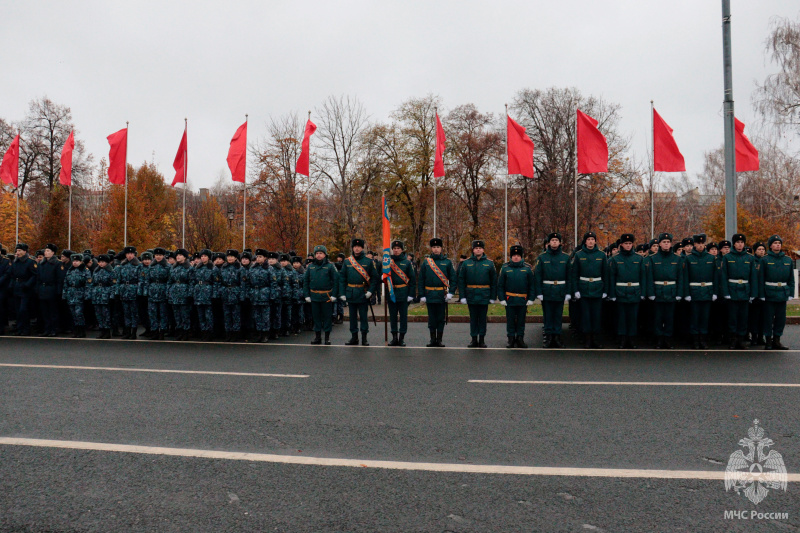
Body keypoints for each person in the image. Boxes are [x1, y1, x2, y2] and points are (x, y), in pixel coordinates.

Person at [570, 232, 608, 349]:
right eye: (588, 239)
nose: (591, 241)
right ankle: (587, 339)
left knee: (596, 316)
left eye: (592, 239)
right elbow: (574, 274)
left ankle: (595, 339)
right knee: (585, 316)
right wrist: (575, 290)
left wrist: (605, 290)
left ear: (595, 241)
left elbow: (605, 274)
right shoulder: (579, 255)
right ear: (585, 241)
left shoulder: (601, 255)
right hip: (584, 289)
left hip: (597, 289)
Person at [533, 233, 571, 348]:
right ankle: (549, 338)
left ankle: (557, 337)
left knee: (558, 315)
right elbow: (538, 276)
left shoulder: (566, 258)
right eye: (552, 240)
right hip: (547, 290)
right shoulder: (542, 257)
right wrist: (538, 292)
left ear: (560, 243)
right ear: (548, 243)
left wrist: (568, 292)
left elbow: (569, 276)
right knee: (548, 315)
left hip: (560, 290)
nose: (554, 242)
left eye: (556, 240)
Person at [457, 240, 498, 348]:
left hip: (484, 294)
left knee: (483, 318)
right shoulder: (466, 263)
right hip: (471, 294)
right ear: (473, 250)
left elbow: (494, 281)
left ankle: (482, 340)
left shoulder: (489, 263)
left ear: (483, 250)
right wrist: (462, 296)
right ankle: (474, 339)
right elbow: (461, 281)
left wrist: (493, 296)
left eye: (480, 248)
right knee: (473, 318)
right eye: (476, 248)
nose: (478, 249)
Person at [608, 233, 646, 348]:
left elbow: (643, 277)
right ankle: (622, 339)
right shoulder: (615, 259)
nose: (628, 245)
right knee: (622, 317)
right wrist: (612, 294)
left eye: (630, 243)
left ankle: (631, 339)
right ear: (622, 244)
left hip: (635, 291)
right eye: (626, 243)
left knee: (633, 317)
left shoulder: (639, 258)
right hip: (620, 291)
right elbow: (612, 277)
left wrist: (643, 293)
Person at [646, 233, 683, 349]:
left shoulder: (677, 258)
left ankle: (667, 339)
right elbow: (650, 277)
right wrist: (651, 293)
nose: (666, 244)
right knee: (658, 317)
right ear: (660, 244)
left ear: (670, 244)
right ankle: (659, 339)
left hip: (671, 291)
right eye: (664, 242)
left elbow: (681, 278)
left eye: (668, 242)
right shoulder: (653, 258)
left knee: (669, 317)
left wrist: (679, 293)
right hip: (658, 291)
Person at [719, 233, 757, 350]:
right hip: (732, 290)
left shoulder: (750, 258)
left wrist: (753, 294)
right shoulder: (727, 257)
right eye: (738, 242)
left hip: (745, 291)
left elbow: (753, 277)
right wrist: (726, 292)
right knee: (732, 317)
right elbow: (724, 276)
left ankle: (741, 340)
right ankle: (733, 340)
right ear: (734, 244)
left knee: (743, 317)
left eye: (742, 242)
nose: (740, 244)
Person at [339, 238, 379, 346]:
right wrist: (342, 293)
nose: (357, 248)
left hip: (363, 292)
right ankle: (354, 337)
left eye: (359, 247)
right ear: (352, 248)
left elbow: (375, 278)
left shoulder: (368, 261)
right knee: (352, 317)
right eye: (355, 246)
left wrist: (371, 291)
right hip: (351, 292)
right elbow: (342, 278)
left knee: (363, 317)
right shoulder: (347, 261)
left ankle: (364, 338)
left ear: (362, 248)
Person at [418, 237, 456, 347]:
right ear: (431, 248)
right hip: (429, 294)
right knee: (431, 318)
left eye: (438, 247)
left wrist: (451, 293)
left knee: (440, 318)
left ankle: (439, 340)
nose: (436, 249)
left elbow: (453, 279)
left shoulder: (447, 262)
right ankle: (432, 339)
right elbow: (421, 280)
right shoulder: (426, 263)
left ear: (441, 248)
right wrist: (421, 294)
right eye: (434, 247)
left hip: (441, 294)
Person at [682, 234, 717, 349]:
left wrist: (714, 292)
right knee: (695, 317)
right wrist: (686, 294)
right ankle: (695, 340)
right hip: (694, 292)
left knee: (705, 317)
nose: (701, 246)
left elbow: (715, 277)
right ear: (695, 245)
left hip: (707, 291)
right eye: (698, 244)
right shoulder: (689, 258)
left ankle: (703, 339)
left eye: (703, 244)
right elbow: (685, 277)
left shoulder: (711, 258)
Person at [760, 235, 794, 350]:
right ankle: (768, 341)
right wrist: (761, 294)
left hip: (782, 293)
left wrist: (791, 293)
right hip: (769, 293)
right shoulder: (765, 260)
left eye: (779, 243)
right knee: (768, 318)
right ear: (770, 245)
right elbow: (761, 279)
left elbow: (791, 279)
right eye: (775, 243)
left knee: (780, 319)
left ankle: (777, 340)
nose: (777, 245)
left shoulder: (788, 260)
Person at [498, 244, 535, 348]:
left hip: (523, 299)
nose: (516, 257)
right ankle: (510, 339)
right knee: (510, 320)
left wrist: (531, 298)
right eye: (514, 255)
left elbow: (532, 285)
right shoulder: (505, 268)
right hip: (510, 299)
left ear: (521, 257)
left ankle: (520, 338)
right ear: (511, 257)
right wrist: (502, 298)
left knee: (521, 320)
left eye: (518, 255)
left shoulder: (527, 269)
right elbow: (500, 285)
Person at [303, 245, 339, 345]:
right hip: (314, 296)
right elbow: (306, 281)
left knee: (327, 317)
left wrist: (334, 295)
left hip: (326, 296)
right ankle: (317, 337)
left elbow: (336, 281)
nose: (319, 255)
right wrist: (307, 295)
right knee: (316, 317)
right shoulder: (310, 267)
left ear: (325, 254)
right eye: (317, 253)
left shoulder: (330, 266)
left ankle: (327, 338)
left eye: (321, 253)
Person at [386, 240, 417, 347]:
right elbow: (383, 276)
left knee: (403, 317)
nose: (396, 250)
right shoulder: (387, 261)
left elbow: (412, 281)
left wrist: (411, 295)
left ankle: (401, 338)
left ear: (402, 250)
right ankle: (394, 337)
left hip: (403, 293)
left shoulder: (407, 263)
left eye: (398, 248)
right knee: (393, 317)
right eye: (394, 248)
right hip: (391, 292)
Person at [115, 246, 143, 339]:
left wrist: (139, 292)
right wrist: (117, 291)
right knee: (126, 312)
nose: (130, 255)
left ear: (134, 254)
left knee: (134, 312)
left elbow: (141, 280)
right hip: (124, 290)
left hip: (133, 290)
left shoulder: (138, 265)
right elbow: (119, 279)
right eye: (128, 254)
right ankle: (127, 332)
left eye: (131, 254)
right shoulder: (122, 265)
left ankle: (133, 332)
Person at [10, 244, 37, 336]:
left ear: (25, 251)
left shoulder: (30, 262)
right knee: (17, 310)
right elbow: (12, 275)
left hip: (25, 288)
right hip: (17, 287)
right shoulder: (15, 262)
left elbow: (34, 275)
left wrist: (27, 284)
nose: (17, 253)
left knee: (23, 309)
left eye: (20, 251)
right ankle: (20, 328)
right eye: (17, 251)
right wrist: (12, 285)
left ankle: (26, 329)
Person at [35, 243, 62, 337]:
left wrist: (58, 291)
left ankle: (54, 329)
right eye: (45, 251)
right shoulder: (42, 264)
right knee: (44, 312)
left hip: (52, 289)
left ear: (53, 252)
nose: (45, 252)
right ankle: (47, 329)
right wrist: (37, 289)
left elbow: (59, 279)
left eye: (48, 251)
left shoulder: (57, 263)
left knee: (53, 311)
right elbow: (38, 277)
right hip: (43, 289)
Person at [62, 253, 91, 338]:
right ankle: (76, 330)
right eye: (74, 261)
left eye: (77, 261)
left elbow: (88, 284)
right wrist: (64, 295)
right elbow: (66, 283)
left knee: (79, 313)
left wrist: (87, 296)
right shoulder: (70, 270)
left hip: (80, 293)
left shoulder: (85, 270)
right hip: (71, 293)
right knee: (73, 313)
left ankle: (81, 330)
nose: (75, 263)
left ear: (81, 261)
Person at [145, 248, 170, 340]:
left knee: (163, 313)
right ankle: (154, 331)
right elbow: (147, 279)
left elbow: (169, 280)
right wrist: (147, 291)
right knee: (152, 313)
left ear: (163, 256)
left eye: (160, 255)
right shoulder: (151, 266)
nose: (158, 257)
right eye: (156, 255)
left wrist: (167, 291)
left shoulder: (167, 266)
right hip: (152, 291)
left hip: (162, 290)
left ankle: (162, 331)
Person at [219, 249, 244, 342]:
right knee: (227, 315)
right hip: (225, 293)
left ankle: (236, 333)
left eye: (232, 257)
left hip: (235, 292)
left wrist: (241, 295)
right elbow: (220, 281)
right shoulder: (223, 268)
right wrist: (221, 291)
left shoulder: (240, 268)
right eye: (228, 256)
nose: (229, 258)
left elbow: (243, 283)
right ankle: (228, 333)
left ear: (235, 258)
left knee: (236, 315)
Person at [192, 249, 217, 342]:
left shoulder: (213, 268)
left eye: (205, 256)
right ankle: (203, 331)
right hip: (199, 292)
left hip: (208, 292)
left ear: (209, 257)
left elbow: (215, 282)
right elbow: (194, 280)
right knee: (201, 314)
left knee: (208, 314)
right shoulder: (197, 267)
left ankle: (210, 332)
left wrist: (214, 294)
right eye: (201, 256)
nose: (203, 258)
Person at [168, 249, 193, 340]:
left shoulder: (189, 268)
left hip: (184, 292)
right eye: (177, 255)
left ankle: (186, 331)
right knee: (177, 314)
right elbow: (170, 281)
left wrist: (190, 294)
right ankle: (179, 331)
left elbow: (191, 282)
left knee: (185, 314)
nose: (178, 257)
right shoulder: (173, 267)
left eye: (180, 255)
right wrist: (169, 292)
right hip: (175, 293)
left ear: (185, 257)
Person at [89, 254, 116, 339]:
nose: (101, 264)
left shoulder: (111, 271)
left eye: (103, 262)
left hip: (105, 294)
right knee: (98, 314)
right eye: (99, 262)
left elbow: (113, 285)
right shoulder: (96, 271)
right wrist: (92, 293)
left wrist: (111, 295)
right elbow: (92, 283)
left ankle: (107, 331)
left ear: (107, 262)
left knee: (106, 314)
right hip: (97, 294)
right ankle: (102, 330)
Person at [749, 242, 767, 346]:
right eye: (759, 249)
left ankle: (761, 337)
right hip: (754, 293)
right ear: (755, 250)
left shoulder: (766, 261)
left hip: (764, 293)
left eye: (763, 249)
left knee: (763, 317)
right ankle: (754, 337)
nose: (761, 251)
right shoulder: (752, 260)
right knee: (754, 317)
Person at [279, 253, 296, 337]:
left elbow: (295, 284)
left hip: (288, 295)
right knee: (280, 313)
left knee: (287, 313)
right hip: (280, 294)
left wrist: (294, 295)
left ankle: (287, 328)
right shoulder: (279, 270)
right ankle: (281, 328)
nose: (282, 263)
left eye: (284, 261)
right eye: (281, 261)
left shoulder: (292, 271)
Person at [291, 256, 306, 334]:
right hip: (292, 294)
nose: (295, 264)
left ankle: (299, 325)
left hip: (300, 294)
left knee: (300, 312)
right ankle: (293, 325)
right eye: (294, 263)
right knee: (293, 312)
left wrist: (303, 294)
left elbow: (305, 285)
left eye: (297, 263)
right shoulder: (291, 272)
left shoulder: (303, 273)